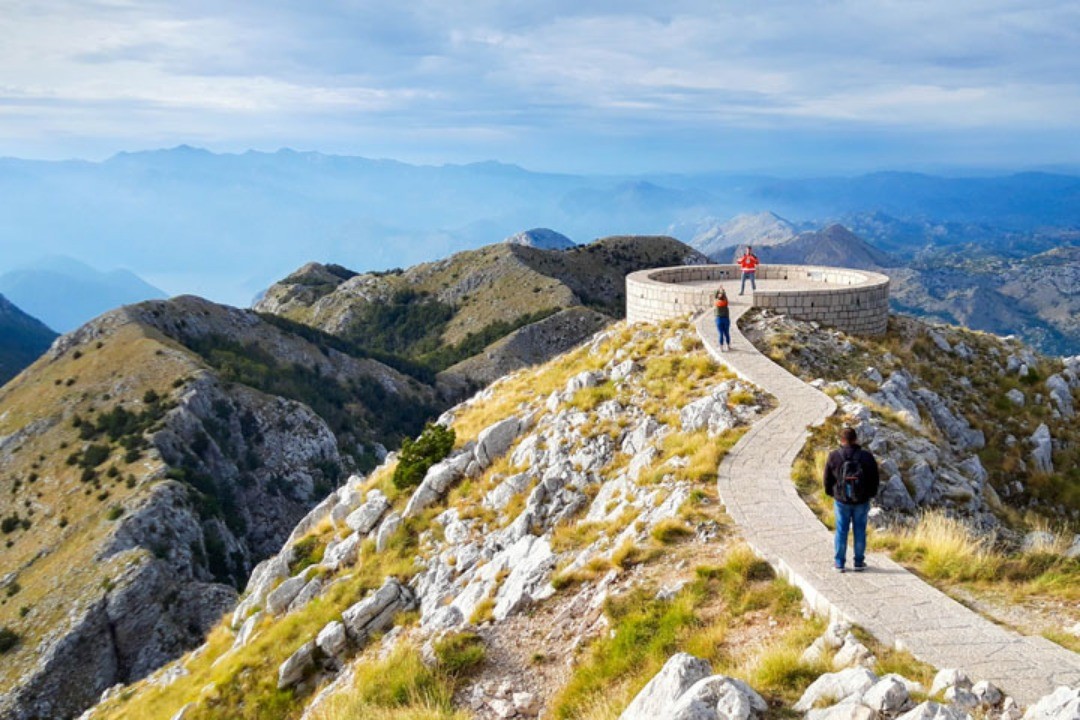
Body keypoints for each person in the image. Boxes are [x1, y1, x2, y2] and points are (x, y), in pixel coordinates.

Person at [823, 427, 880, 572]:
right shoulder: (866, 456)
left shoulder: (834, 456)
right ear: (856, 439)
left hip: (841, 500)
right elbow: (875, 478)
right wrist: (870, 494)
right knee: (859, 529)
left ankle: (839, 563)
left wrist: (831, 492)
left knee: (841, 530)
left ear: (841, 440)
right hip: (861, 500)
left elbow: (827, 478)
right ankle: (859, 562)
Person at [714, 287, 731, 351]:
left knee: (720, 333)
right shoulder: (725, 302)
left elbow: (715, 295)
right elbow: (725, 296)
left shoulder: (717, 302)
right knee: (727, 333)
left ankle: (721, 347)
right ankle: (728, 346)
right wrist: (723, 291)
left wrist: (718, 289)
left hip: (719, 320)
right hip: (726, 319)